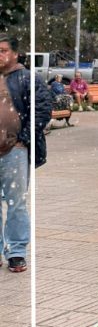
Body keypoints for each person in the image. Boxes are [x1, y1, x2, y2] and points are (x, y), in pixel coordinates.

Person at [0, 35, 49, 273]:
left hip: (15, 151)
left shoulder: (27, 78)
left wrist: (24, 138)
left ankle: (16, 252)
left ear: (15, 53)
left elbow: (42, 109)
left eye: (3, 50)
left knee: (16, 202)